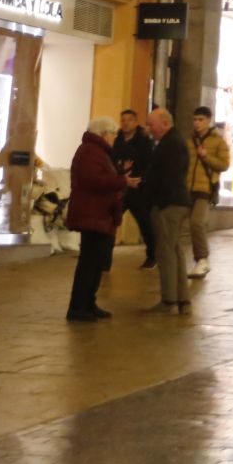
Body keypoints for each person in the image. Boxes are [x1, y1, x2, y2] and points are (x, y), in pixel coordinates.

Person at [65, 117, 128, 322]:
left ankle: (89, 303)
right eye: (113, 133)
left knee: (96, 262)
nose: (115, 137)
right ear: (103, 133)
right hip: (91, 214)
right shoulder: (90, 152)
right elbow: (94, 180)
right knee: (88, 262)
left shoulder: (98, 152)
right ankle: (78, 307)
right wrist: (121, 180)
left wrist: (120, 175)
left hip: (99, 214)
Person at [144, 108, 192, 315]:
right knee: (175, 251)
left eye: (151, 124)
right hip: (178, 202)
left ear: (164, 123)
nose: (149, 129)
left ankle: (169, 301)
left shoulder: (169, 144)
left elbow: (166, 177)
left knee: (165, 252)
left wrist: (149, 191)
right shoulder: (176, 141)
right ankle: (183, 301)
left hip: (168, 205)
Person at [185, 108, 229, 279]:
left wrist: (206, 157)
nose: (197, 123)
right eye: (195, 119)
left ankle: (202, 260)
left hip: (205, 188)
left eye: (201, 119)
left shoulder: (218, 141)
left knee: (196, 223)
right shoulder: (189, 140)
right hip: (187, 187)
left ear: (209, 120)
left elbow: (224, 165)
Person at [111, 108, 157, 267]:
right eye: (123, 120)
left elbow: (149, 163)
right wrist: (121, 170)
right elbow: (113, 161)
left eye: (129, 119)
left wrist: (141, 179)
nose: (125, 123)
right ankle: (104, 258)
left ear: (135, 121)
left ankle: (152, 256)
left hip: (138, 189)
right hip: (121, 188)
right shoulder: (117, 140)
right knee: (111, 221)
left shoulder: (144, 140)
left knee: (145, 224)